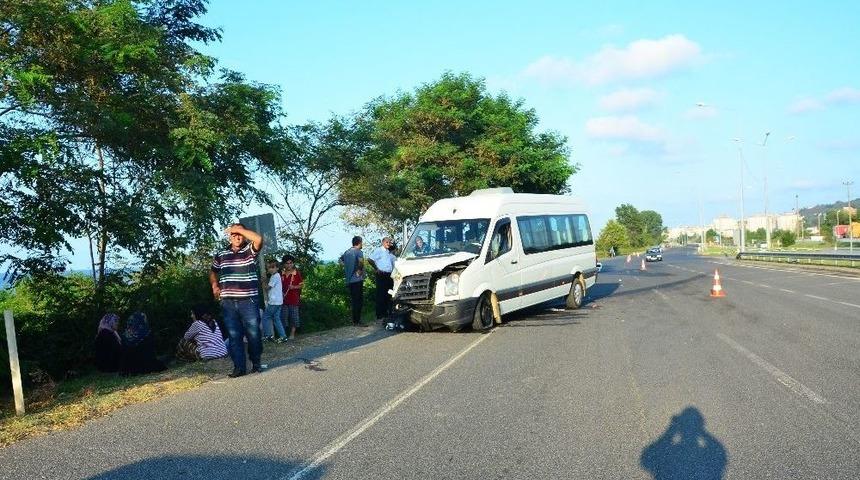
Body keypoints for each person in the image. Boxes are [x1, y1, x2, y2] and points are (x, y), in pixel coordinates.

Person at [210, 223, 265, 378]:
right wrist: (214, 285)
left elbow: (259, 239)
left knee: (254, 334)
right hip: (228, 302)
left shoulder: (249, 250)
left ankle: (256, 362)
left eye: (239, 233)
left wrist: (239, 229)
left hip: (249, 301)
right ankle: (239, 367)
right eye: (233, 234)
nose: (237, 236)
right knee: (234, 336)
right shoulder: (221, 254)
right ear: (229, 236)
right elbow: (213, 271)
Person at [119, 312, 166, 376]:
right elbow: (150, 353)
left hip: (127, 368)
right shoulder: (146, 333)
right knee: (160, 363)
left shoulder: (124, 335)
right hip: (144, 366)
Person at [339, 235, 366, 326]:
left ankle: (355, 321)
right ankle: (357, 321)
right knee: (359, 301)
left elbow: (340, 260)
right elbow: (361, 263)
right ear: (359, 242)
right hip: (357, 280)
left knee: (354, 301)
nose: (362, 244)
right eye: (362, 242)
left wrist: (346, 266)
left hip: (349, 280)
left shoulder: (347, 252)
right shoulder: (359, 252)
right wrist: (358, 272)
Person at [368, 237, 395, 326]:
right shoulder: (378, 250)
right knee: (380, 294)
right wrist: (376, 269)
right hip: (381, 274)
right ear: (383, 242)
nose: (388, 243)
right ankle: (379, 314)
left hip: (389, 275)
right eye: (387, 242)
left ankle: (386, 313)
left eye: (389, 242)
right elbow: (370, 259)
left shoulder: (388, 252)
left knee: (389, 294)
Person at [262, 259, 287, 343]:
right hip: (279, 301)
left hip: (274, 302)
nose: (270, 269)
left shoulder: (275, 276)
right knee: (276, 319)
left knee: (265, 317)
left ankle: (268, 335)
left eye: (273, 267)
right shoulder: (276, 276)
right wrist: (266, 281)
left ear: (277, 268)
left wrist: (263, 282)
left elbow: (267, 287)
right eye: (269, 268)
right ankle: (283, 336)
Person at [280, 255, 303, 340]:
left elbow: (301, 285)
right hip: (283, 300)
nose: (289, 265)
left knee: (294, 317)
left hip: (294, 299)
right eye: (287, 263)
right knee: (283, 317)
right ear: (284, 264)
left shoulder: (296, 273)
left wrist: (294, 287)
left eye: (291, 263)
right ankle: (283, 334)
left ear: (293, 264)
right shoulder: (281, 274)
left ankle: (292, 334)